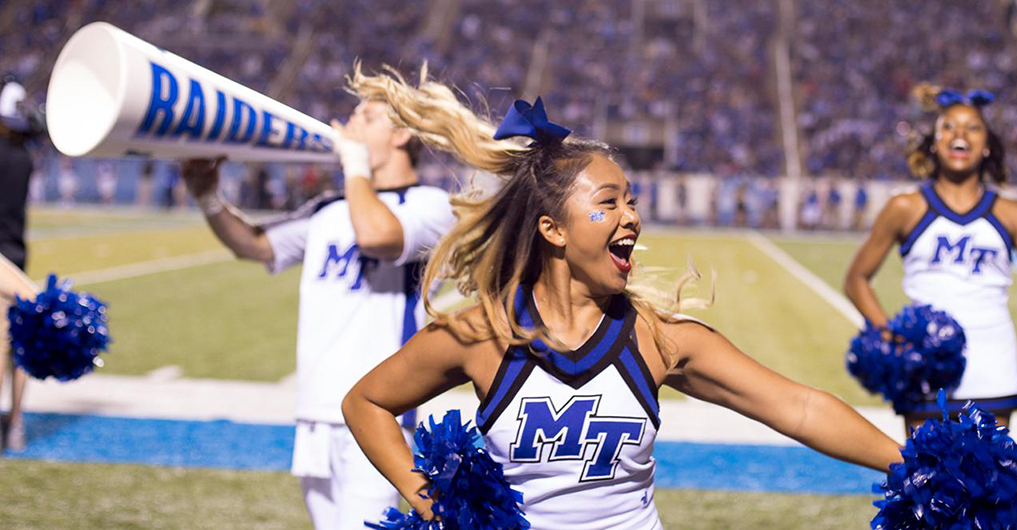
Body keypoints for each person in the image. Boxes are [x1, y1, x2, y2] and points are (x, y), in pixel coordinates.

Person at [341, 69, 904, 529]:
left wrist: (915, 466)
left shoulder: (660, 339)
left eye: (631, 202)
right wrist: (434, 504)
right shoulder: (484, 335)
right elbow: (365, 403)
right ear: (552, 230)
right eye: (609, 203)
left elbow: (799, 409)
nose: (630, 215)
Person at [180, 97, 456, 529]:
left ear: (402, 134)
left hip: (381, 412)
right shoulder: (329, 207)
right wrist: (208, 198)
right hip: (315, 407)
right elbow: (255, 245)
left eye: (366, 117)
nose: (348, 126)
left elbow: (378, 236)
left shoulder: (431, 204)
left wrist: (355, 169)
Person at [843, 86, 1017, 435]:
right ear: (934, 143)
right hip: (925, 370)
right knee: (924, 483)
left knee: (990, 485)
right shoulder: (905, 208)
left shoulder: (1013, 214)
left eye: (972, 128)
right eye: (949, 127)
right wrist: (893, 337)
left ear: (987, 147)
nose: (960, 134)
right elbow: (856, 279)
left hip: (992, 366)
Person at [0, 77, 36, 452]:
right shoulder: (25, 157)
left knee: (0, 341)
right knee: (18, 344)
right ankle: (17, 420)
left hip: (0, 258)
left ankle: (8, 425)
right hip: (18, 252)